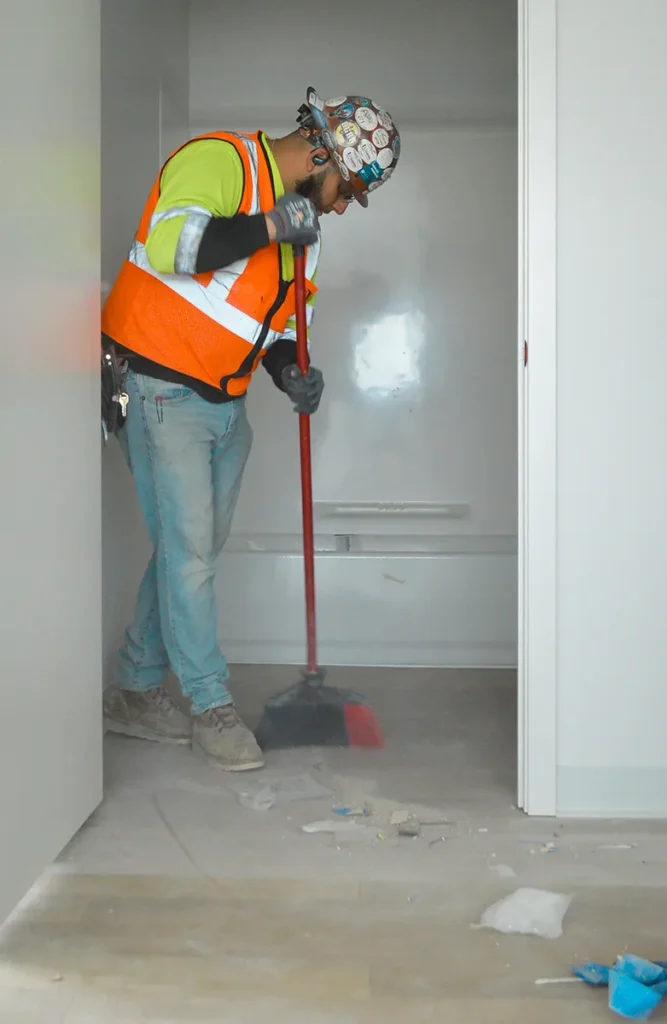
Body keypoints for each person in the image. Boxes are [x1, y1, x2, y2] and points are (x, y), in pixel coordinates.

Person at [101, 88, 400, 771]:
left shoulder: (305, 234)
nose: (341, 206)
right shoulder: (222, 161)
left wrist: (291, 371)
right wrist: (271, 223)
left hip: (223, 403)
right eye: (347, 189)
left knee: (190, 552)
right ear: (321, 154)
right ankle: (210, 705)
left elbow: (281, 325)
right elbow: (171, 245)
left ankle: (135, 688)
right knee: (189, 556)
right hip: (157, 387)